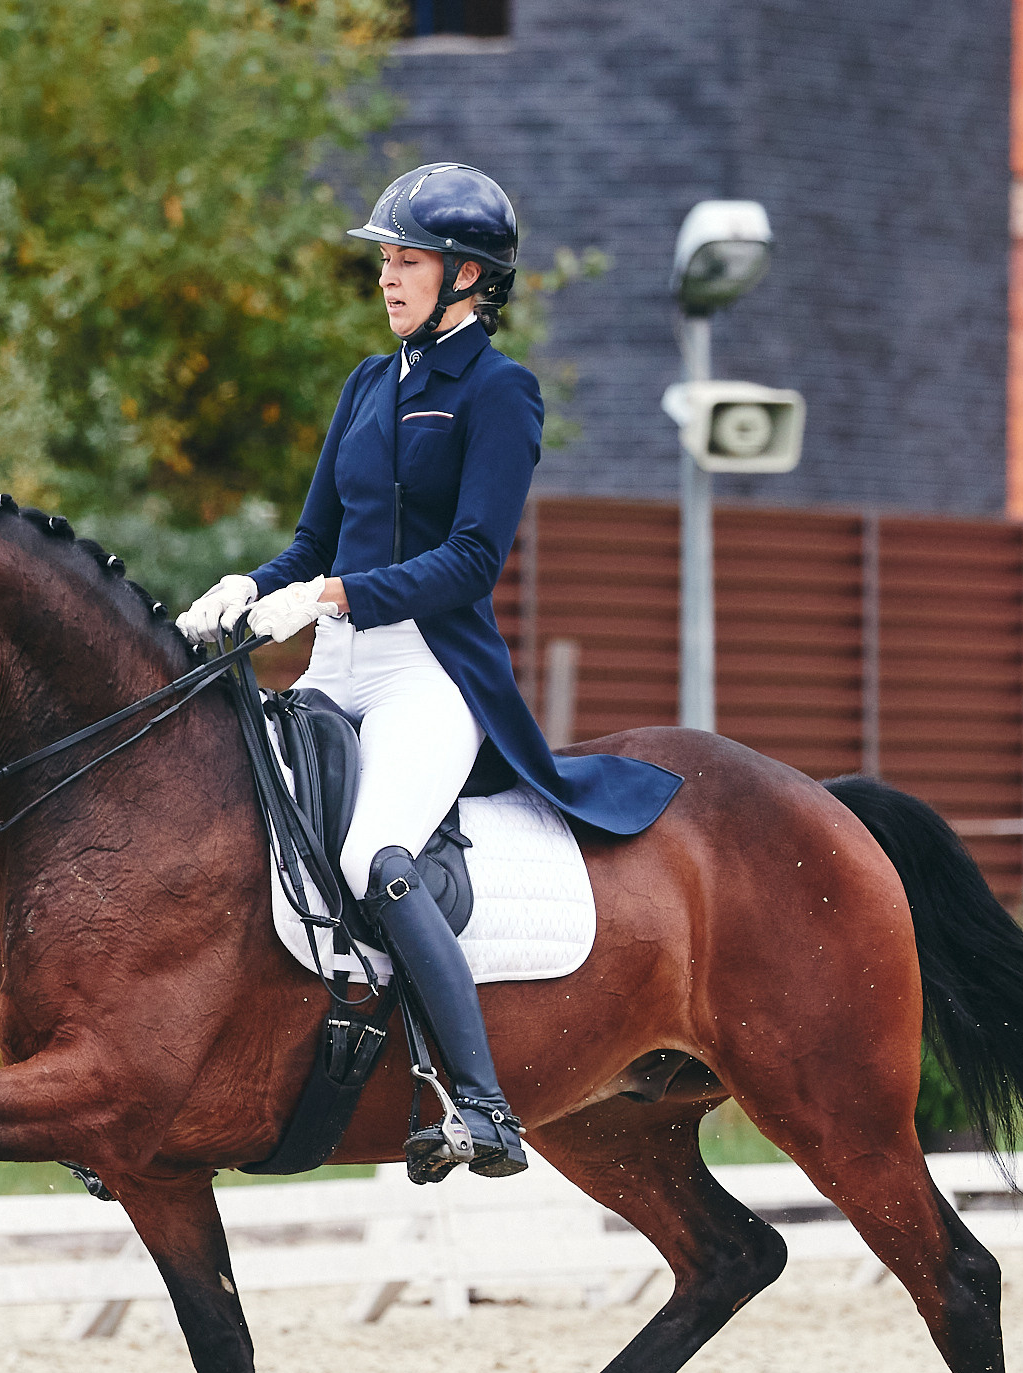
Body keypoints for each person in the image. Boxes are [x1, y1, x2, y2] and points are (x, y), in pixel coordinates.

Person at [178, 163, 683, 1183]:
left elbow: (470, 562)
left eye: (407, 260)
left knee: (375, 856)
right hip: (336, 666)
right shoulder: (368, 385)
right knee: (246, 833)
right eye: (385, 260)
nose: (387, 276)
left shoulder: (500, 393)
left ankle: (485, 1107)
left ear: (468, 277)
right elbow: (313, 541)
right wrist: (248, 586)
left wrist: (330, 595)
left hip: (429, 672)